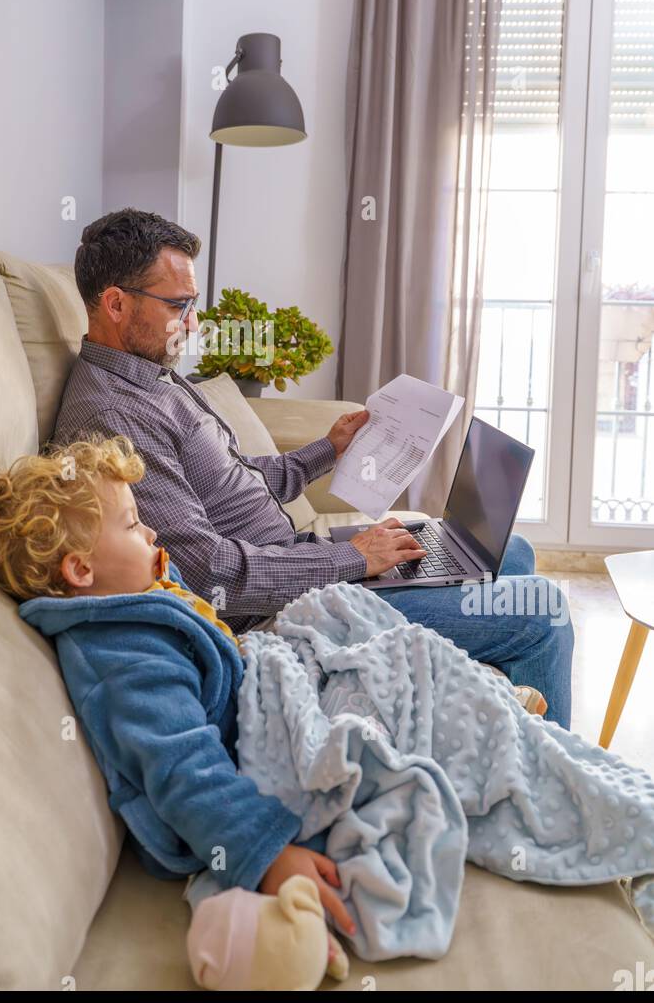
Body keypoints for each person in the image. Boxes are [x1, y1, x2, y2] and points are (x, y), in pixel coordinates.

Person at [0, 437, 548, 952]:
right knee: (504, 627)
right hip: (258, 734)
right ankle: (489, 724)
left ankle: (472, 700)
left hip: (263, 674)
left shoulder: (131, 597)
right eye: (132, 526)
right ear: (80, 571)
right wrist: (265, 854)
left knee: (384, 635)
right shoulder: (122, 657)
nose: (152, 532)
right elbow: (185, 768)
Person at [51, 207, 573, 729]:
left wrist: (328, 449)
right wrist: (352, 559)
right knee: (541, 611)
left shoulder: (152, 375)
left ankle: (486, 714)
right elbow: (212, 575)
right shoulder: (114, 416)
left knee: (509, 551)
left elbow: (232, 482)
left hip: (303, 564)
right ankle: (551, 775)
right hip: (284, 614)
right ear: (116, 304)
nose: (193, 323)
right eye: (179, 305)